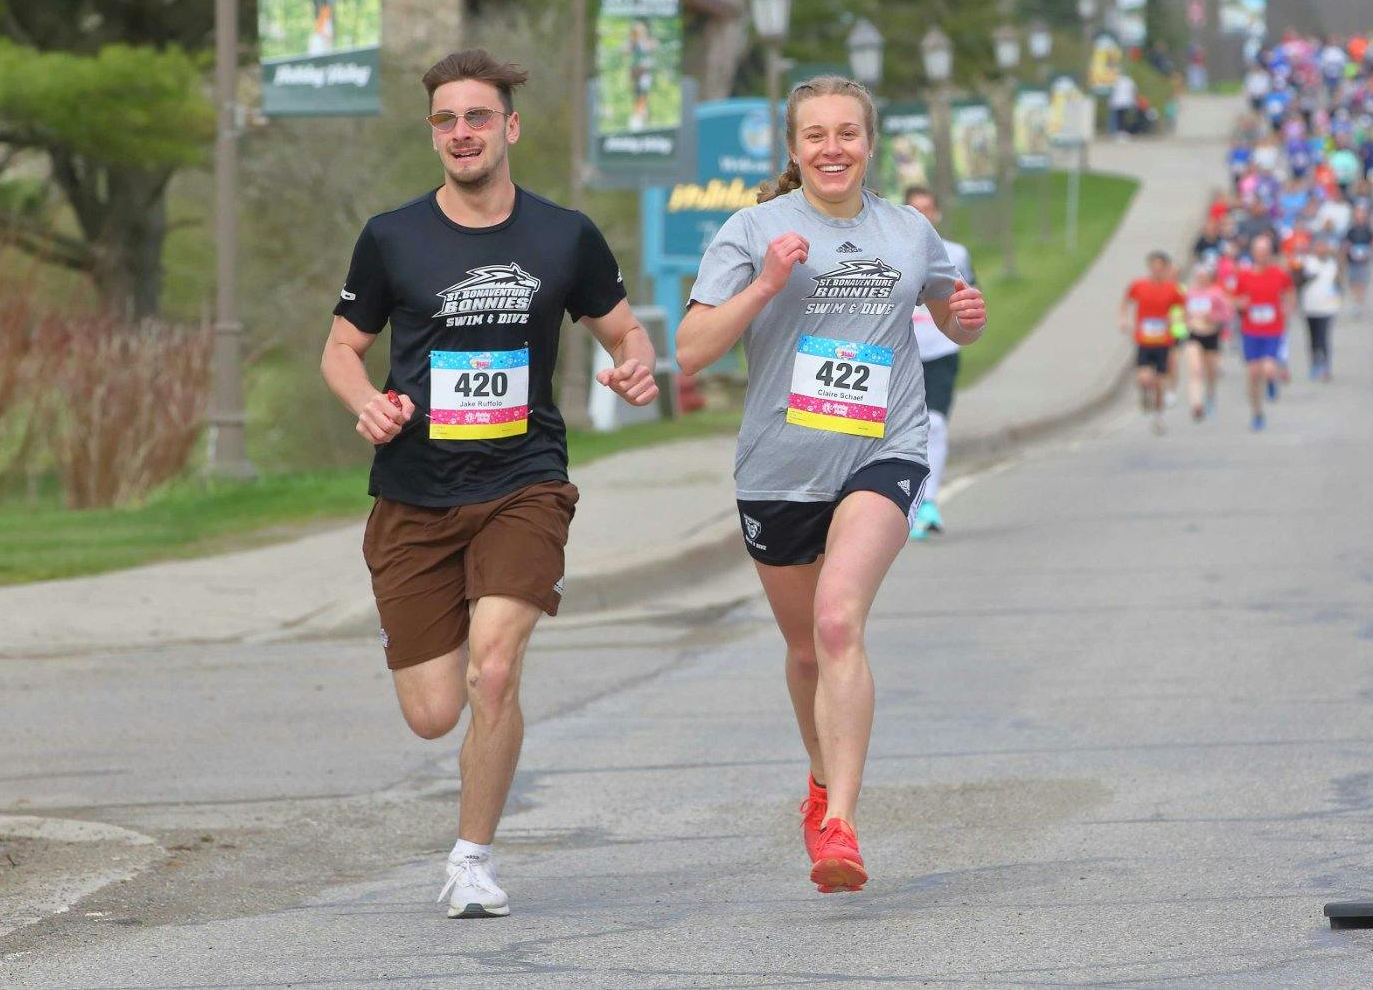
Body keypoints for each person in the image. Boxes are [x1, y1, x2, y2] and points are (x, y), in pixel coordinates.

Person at [322, 49, 660, 919]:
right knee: (435, 712)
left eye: (478, 117)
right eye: (446, 120)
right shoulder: (392, 236)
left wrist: (633, 366)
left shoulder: (565, 235)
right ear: (432, 132)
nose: (462, 133)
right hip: (414, 492)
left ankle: (472, 860)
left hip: (524, 481)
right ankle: (445, 633)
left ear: (510, 126)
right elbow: (340, 349)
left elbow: (625, 332)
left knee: (495, 671)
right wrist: (366, 405)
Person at [676, 77, 986, 896]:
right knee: (806, 647)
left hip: (882, 448)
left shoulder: (909, 229)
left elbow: (948, 310)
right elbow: (691, 349)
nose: (833, 149)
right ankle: (820, 781)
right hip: (778, 468)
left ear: (870, 142)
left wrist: (965, 317)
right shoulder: (753, 230)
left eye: (847, 132)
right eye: (816, 135)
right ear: (793, 148)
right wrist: (766, 284)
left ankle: (841, 823)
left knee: (839, 619)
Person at [903, 185, 975, 541]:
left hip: (941, 352)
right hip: (900, 355)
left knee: (936, 425)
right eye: (914, 210)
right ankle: (901, 503)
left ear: (937, 214)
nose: (923, 217)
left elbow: (971, 299)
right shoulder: (891, 251)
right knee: (901, 434)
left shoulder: (957, 254)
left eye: (928, 209)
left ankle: (927, 502)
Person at [1230, 233, 1295, 431]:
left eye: (1265, 252)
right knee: (1252, 373)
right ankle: (1257, 413)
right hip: (1251, 330)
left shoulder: (1279, 274)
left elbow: (1290, 292)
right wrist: (1240, 303)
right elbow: (1234, 299)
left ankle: (1271, 381)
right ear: (1253, 253)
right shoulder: (1244, 275)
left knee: (1267, 367)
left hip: (1273, 329)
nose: (1262, 255)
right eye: (1258, 251)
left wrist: (1288, 308)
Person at [1120, 251, 1186, 435]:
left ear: (1165, 269)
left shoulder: (1173, 289)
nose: (1156, 271)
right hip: (1144, 340)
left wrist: (1177, 321)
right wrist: (1123, 319)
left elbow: (1182, 308)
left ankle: (1158, 417)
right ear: (1149, 268)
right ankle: (1143, 395)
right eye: (1153, 267)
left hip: (1163, 342)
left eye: (1160, 268)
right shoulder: (1138, 286)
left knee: (1159, 383)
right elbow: (1126, 302)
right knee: (1143, 377)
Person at [1181, 262, 1230, 421]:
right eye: (1198, 276)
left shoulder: (1216, 293)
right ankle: (1196, 404)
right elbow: (1182, 312)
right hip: (1194, 334)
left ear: (1209, 277)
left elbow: (1227, 313)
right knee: (1195, 370)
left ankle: (1210, 394)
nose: (1201, 279)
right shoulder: (1190, 293)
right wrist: (1184, 321)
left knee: (1210, 372)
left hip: (1211, 335)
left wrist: (1213, 317)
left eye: (1204, 276)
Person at [1298, 236, 1345, 381]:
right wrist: (1306, 277)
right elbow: (1298, 281)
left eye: (1323, 247)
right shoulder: (1307, 263)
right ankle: (1314, 364)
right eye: (1318, 247)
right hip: (1310, 306)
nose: (1321, 250)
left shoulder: (1332, 264)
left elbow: (1339, 283)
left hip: (1327, 307)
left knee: (1324, 337)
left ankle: (1326, 365)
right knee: (1312, 337)